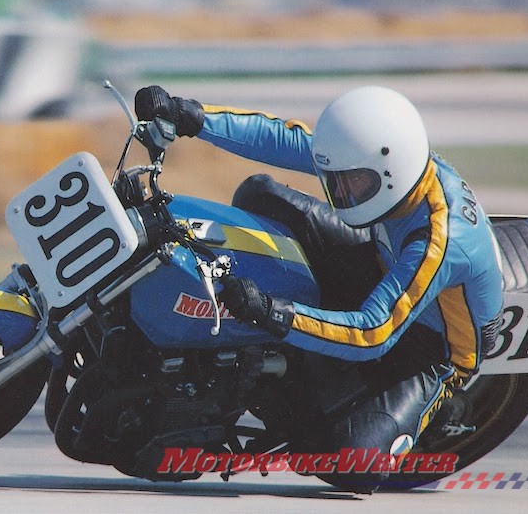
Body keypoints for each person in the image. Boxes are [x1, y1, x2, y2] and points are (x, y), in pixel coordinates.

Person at [134, 84, 505, 492]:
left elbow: (371, 333)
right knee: (259, 194)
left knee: (354, 466)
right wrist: (192, 115)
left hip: (427, 347)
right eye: (336, 182)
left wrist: (272, 311)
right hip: (380, 264)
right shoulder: (386, 162)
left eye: (354, 186)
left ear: (391, 173)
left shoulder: (439, 242)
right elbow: (281, 138)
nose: (342, 195)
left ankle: (437, 410)